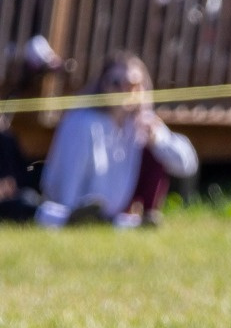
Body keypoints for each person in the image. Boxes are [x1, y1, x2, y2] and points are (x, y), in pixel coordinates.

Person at [36, 50, 198, 228]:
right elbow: (67, 180)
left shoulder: (141, 123)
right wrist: (70, 215)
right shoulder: (83, 121)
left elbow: (187, 165)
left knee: (155, 154)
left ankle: (137, 220)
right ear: (103, 85)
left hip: (115, 216)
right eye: (116, 83)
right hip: (74, 209)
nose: (124, 90)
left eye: (132, 84)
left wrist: (158, 140)